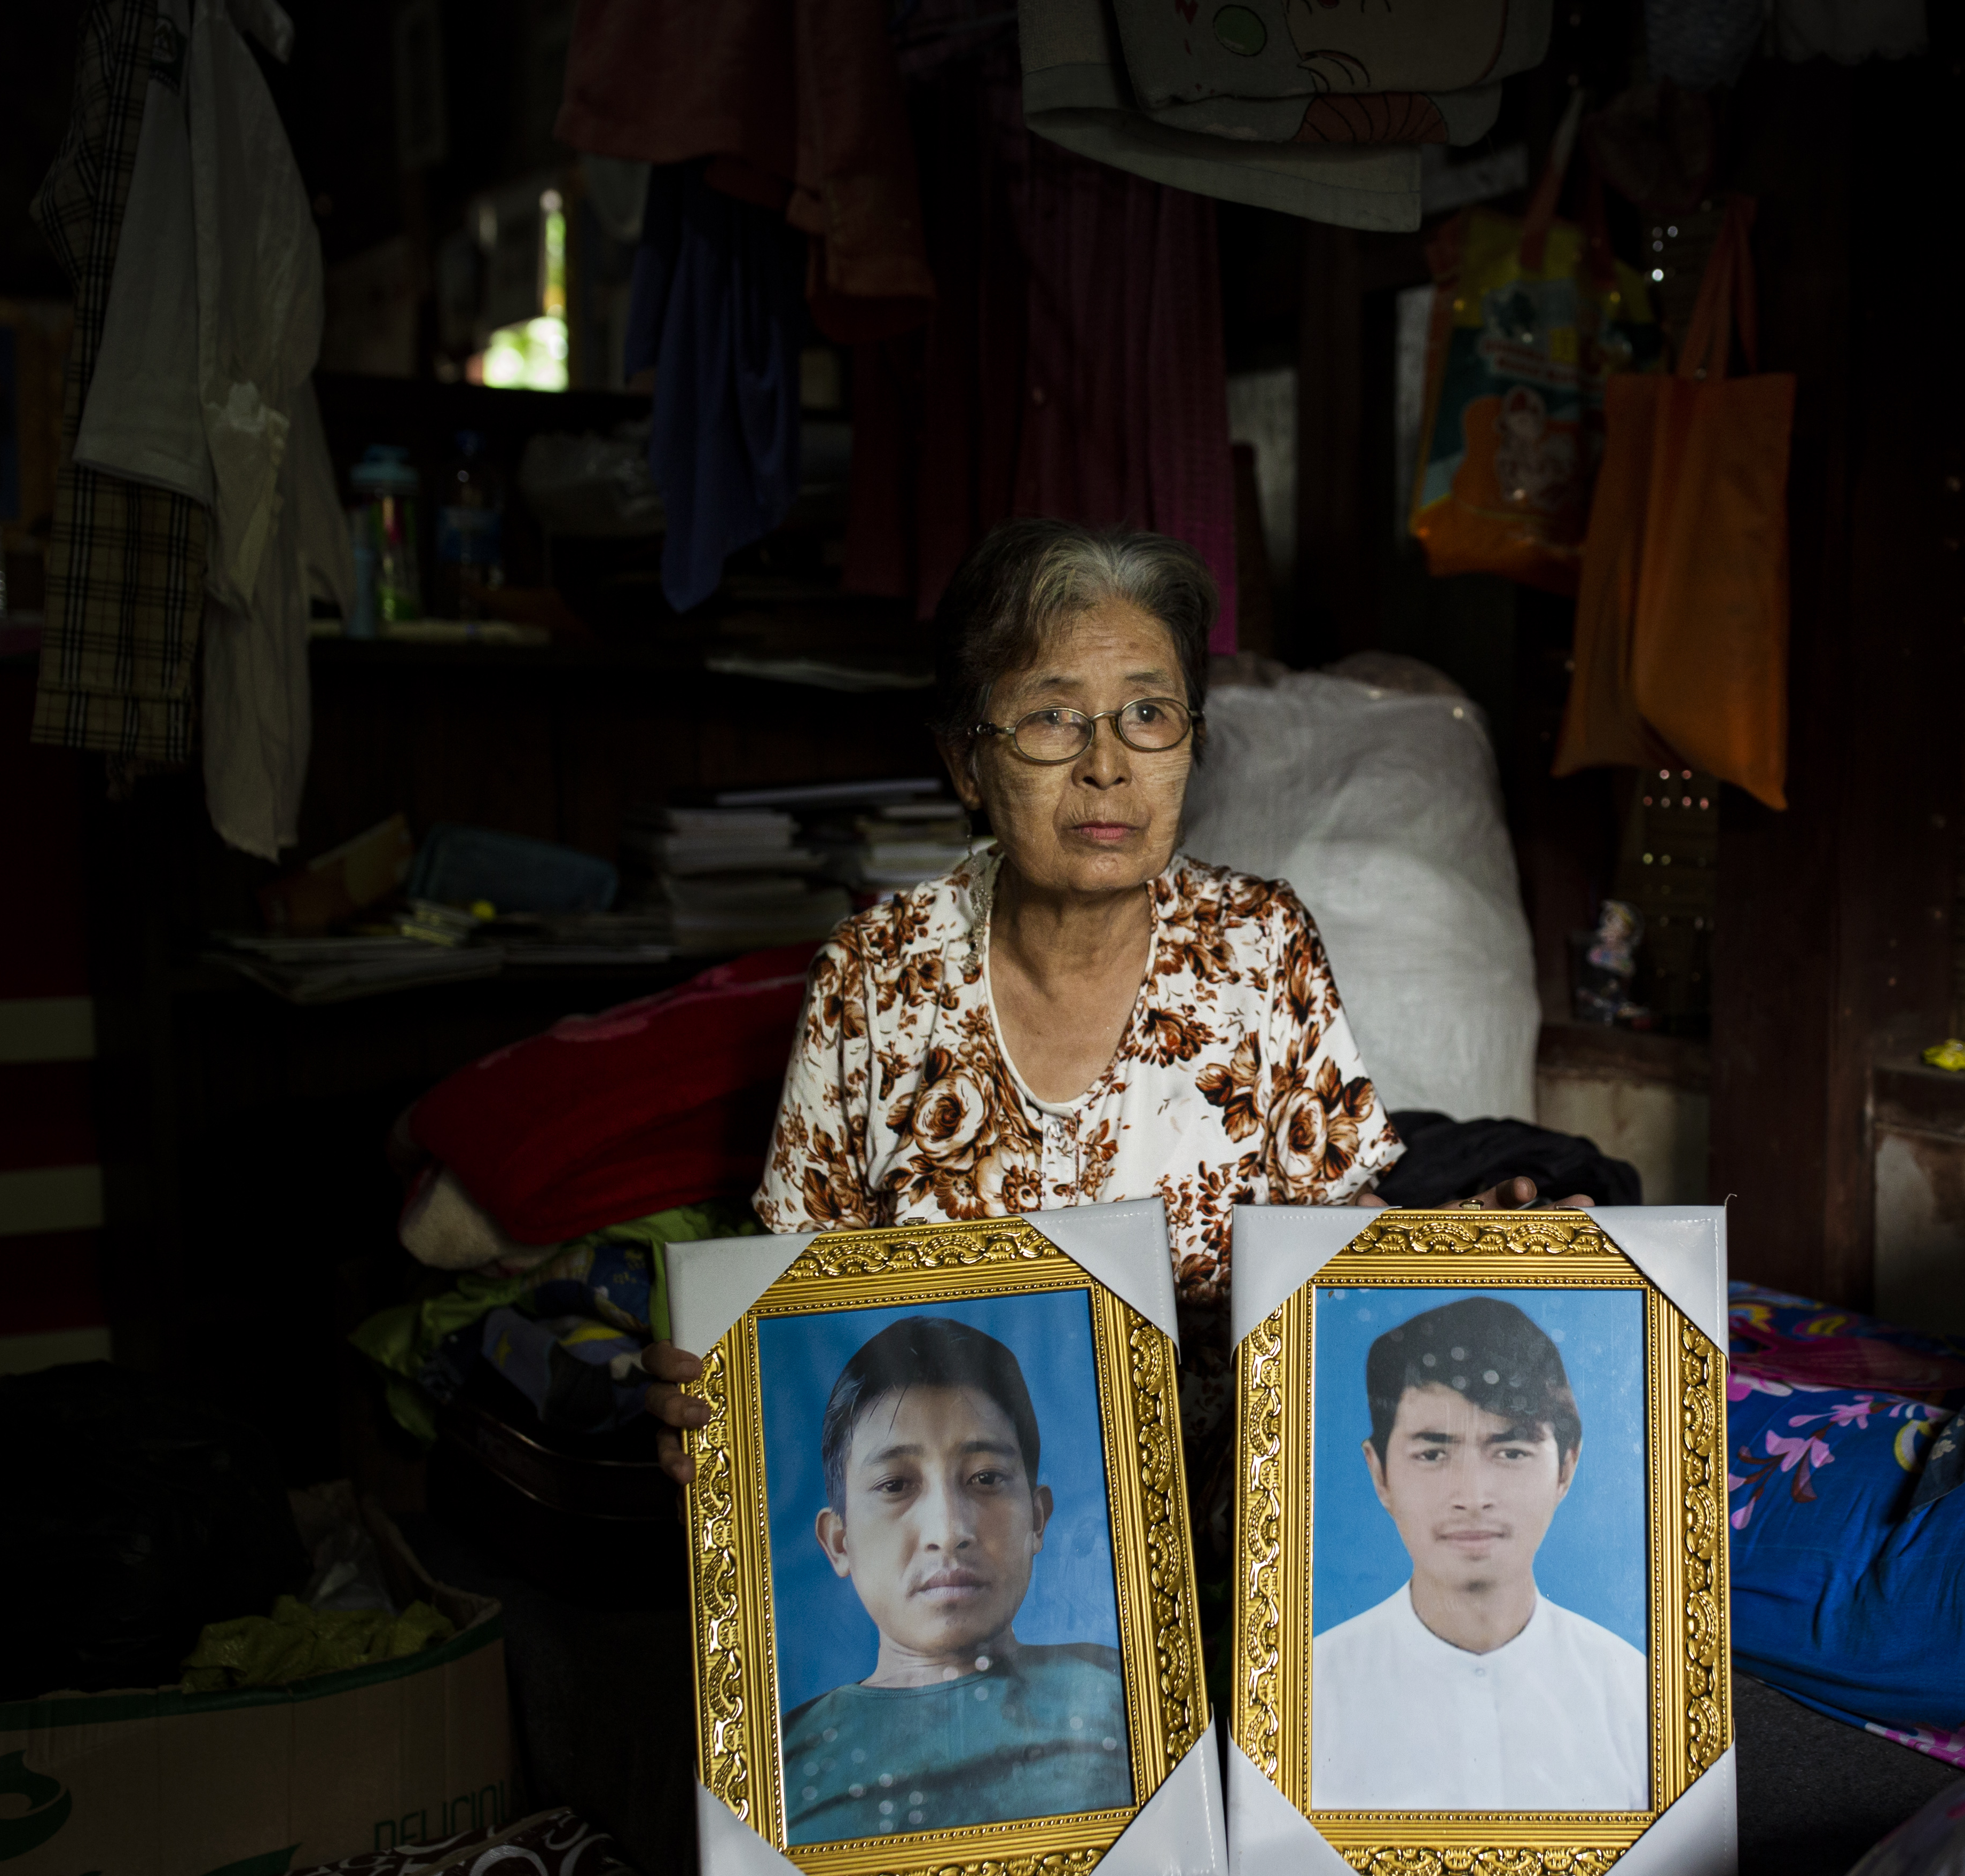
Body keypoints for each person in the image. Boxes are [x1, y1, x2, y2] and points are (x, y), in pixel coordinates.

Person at [646, 519, 1583, 1482]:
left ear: (1191, 745)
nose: (1108, 764)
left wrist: (1474, 1244)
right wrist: (718, 1401)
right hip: (966, 1535)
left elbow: (1336, 1263)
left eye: (1148, 714)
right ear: (966, 764)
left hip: (1227, 1526)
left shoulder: (1261, 946)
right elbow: (799, 1319)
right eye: (1053, 718)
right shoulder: (875, 975)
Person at [780, 1315, 1131, 1843]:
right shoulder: (778, 1763)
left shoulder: (1128, 1695)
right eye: (896, 1484)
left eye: (986, 1478)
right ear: (839, 1541)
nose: (948, 1531)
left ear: (1037, 1518)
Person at [1309, 1296, 1648, 1811]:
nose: (1472, 1495)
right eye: (1433, 1453)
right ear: (1380, 1474)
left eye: (1511, 1452)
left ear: (1566, 1468)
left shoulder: (1637, 1695)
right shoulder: (1307, 1696)